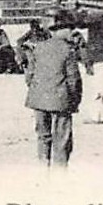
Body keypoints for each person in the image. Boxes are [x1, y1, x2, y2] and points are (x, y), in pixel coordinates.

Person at [25, 11, 83, 168]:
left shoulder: (39, 48)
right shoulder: (69, 50)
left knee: (43, 137)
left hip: (38, 99)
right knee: (61, 139)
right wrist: (74, 101)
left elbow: (29, 75)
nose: (72, 32)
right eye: (69, 29)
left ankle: (43, 169)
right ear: (60, 30)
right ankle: (60, 172)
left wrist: (37, 91)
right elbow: (74, 80)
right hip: (60, 100)